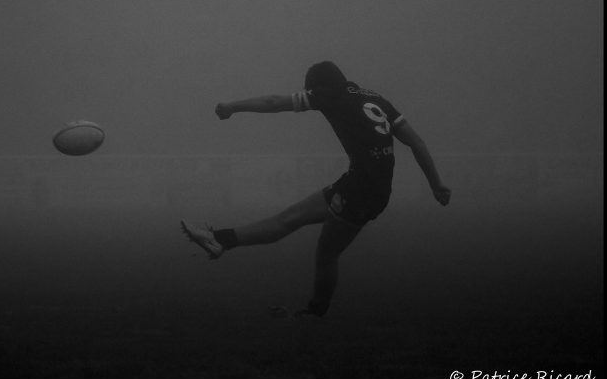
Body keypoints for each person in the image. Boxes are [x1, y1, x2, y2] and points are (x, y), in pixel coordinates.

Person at [181, 61, 451, 318]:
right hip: (359, 183)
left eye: (312, 90)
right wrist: (436, 184)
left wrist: (231, 106)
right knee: (290, 218)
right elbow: (416, 142)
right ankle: (220, 240)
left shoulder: (329, 96)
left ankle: (316, 313)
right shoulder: (373, 98)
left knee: (326, 253)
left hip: (363, 191)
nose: (309, 94)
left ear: (322, 88)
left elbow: (273, 102)